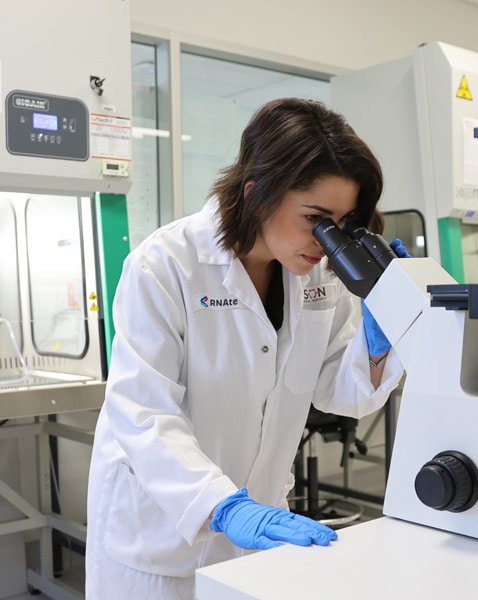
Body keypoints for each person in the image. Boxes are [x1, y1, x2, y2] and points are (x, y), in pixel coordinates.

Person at [85, 97, 404, 598]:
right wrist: (222, 505)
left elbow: (342, 393)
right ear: (258, 193)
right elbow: (143, 412)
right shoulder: (165, 265)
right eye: (316, 218)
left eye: (341, 224)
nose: (327, 241)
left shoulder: (319, 274)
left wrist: (384, 329)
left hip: (259, 529)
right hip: (159, 536)